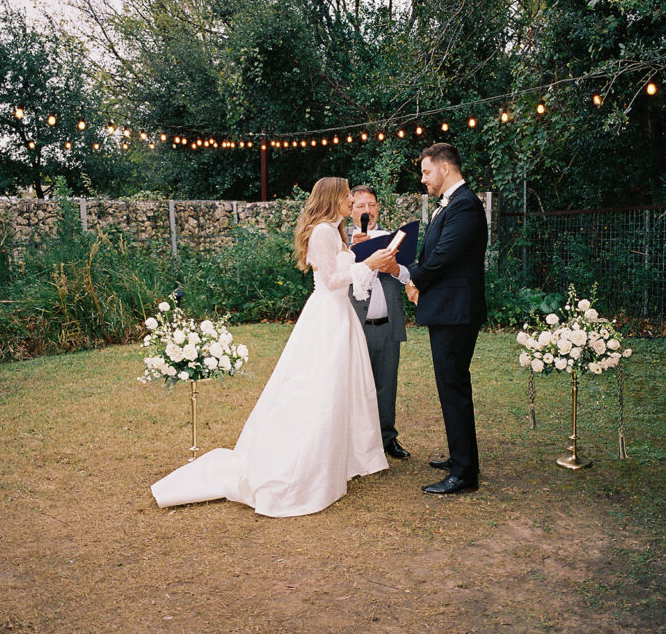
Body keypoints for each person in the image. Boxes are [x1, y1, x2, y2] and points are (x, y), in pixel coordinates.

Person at [151, 177, 398, 517]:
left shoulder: (336, 231)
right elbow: (331, 281)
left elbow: (350, 281)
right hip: (327, 317)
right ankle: (305, 463)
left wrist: (371, 263)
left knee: (341, 390)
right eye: (346, 196)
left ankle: (338, 458)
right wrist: (366, 265)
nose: (350, 200)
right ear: (332, 198)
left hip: (341, 317)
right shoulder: (324, 232)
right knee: (320, 389)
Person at [405, 143, 488, 494]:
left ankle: (464, 473)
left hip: (456, 312)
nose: (423, 179)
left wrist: (415, 278)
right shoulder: (451, 204)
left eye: (426, 172)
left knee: (453, 388)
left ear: (444, 168)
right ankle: (460, 458)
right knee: (450, 386)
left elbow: (443, 257)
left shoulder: (466, 204)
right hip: (447, 310)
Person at [346, 185, 411, 460]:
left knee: (387, 384)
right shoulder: (342, 241)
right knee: (355, 385)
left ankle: (387, 438)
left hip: (387, 324)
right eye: (360, 206)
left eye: (371, 205)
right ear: (350, 210)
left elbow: (408, 275)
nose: (367, 211)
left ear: (378, 208)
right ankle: (355, 441)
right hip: (355, 326)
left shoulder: (390, 238)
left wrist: (394, 268)